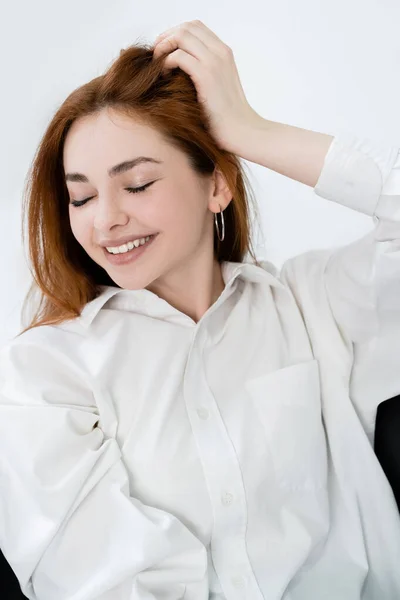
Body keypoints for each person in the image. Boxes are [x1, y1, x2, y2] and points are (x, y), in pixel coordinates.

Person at [1, 18, 400, 600]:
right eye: (80, 196)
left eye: (136, 184)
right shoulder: (49, 368)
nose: (104, 218)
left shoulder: (313, 306)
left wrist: (250, 130)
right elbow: (102, 580)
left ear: (217, 186)